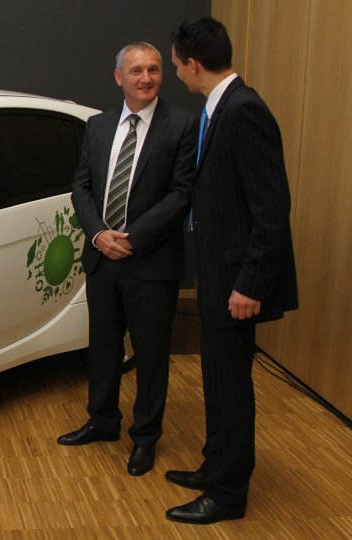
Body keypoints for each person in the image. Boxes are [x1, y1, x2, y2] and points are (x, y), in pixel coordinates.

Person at [165, 17, 298, 524]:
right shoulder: (219, 107)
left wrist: (251, 284)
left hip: (237, 281)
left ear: (194, 64)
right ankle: (214, 466)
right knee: (218, 382)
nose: (176, 73)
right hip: (220, 272)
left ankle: (227, 493)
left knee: (231, 388)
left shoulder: (244, 110)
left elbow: (272, 209)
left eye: (176, 66)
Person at [65, 42, 197, 478]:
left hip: (152, 263)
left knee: (151, 356)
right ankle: (103, 421)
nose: (146, 78)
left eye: (154, 69)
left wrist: (131, 239)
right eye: (137, 70)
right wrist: (99, 235)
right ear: (119, 77)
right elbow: (81, 188)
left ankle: (145, 437)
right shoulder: (98, 126)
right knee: (103, 349)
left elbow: (181, 194)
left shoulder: (183, 126)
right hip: (103, 257)